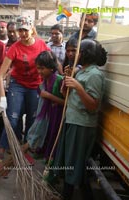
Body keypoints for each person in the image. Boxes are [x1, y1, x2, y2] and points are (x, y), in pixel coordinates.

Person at [52, 39, 107, 200]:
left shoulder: (95, 75)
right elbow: (68, 97)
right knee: (70, 161)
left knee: (73, 163)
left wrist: (78, 86)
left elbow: (93, 106)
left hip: (82, 124)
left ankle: (67, 195)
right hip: (71, 120)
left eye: (78, 51)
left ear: (87, 54)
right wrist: (67, 83)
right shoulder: (81, 72)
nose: (73, 55)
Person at [0, 16, 50, 163]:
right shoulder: (15, 48)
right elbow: (1, 75)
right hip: (17, 85)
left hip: (35, 86)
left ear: (32, 29)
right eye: (20, 31)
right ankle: (2, 149)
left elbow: (52, 63)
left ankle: (26, 150)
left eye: (25, 30)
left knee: (33, 120)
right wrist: (3, 98)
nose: (22, 34)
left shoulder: (41, 45)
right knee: (12, 119)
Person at [24, 51, 64, 161]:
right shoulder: (44, 83)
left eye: (42, 68)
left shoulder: (60, 81)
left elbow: (67, 103)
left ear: (51, 68)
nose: (39, 71)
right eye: (38, 68)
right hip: (48, 118)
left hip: (57, 119)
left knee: (53, 141)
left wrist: (49, 96)